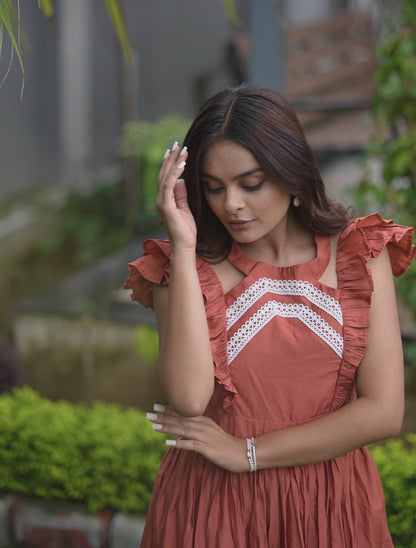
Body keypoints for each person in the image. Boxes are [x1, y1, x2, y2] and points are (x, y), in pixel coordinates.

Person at [125, 85, 415, 548]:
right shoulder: (185, 270)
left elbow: (384, 412)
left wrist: (250, 452)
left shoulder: (359, 254)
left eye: (251, 183)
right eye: (213, 188)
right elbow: (190, 398)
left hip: (332, 505)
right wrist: (181, 246)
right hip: (216, 507)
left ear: (291, 172)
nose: (231, 205)